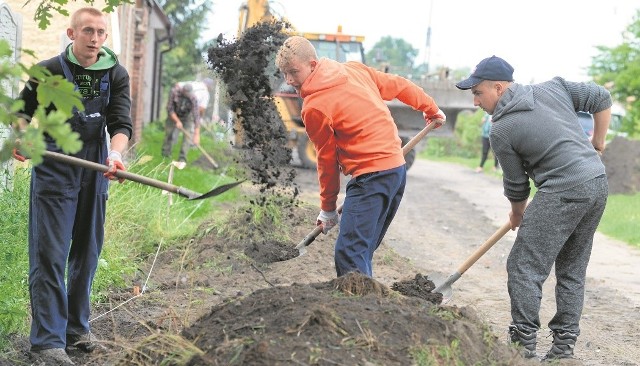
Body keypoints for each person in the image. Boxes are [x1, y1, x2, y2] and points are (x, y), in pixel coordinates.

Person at [455, 55, 611, 360]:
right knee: (572, 269)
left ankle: (523, 344)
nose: (475, 102)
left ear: (498, 88)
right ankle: (563, 348)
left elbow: (516, 185)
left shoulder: (501, 129)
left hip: (563, 190)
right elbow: (602, 98)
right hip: (597, 183)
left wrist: (517, 213)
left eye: (477, 93)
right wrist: (598, 145)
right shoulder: (554, 88)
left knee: (524, 266)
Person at [12, 7, 132, 365]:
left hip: (95, 166)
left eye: (101, 33)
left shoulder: (116, 73)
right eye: (88, 32)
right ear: (71, 33)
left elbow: (121, 122)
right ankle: (47, 341)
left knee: (88, 249)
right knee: (49, 253)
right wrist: (20, 138)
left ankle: (76, 330)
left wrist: (115, 155)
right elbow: (21, 111)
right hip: (55, 166)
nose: (95, 39)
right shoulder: (48, 70)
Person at [275, 36, 445, 278]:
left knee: (350, 254)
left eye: (294, 71)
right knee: (361, 250)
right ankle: (368, 305)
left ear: (312, 65)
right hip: (396, 171)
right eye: (284, 73)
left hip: (371, 178)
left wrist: (327, 209)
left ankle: (359, 311)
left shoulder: (314, 106)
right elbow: (398, 85)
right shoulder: (353, 70)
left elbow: (326, 161)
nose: (290, 80)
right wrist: (431, 108)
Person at [161, 82, 201, 163]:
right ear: (183, 91)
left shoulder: (193, 97)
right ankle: (165, 154)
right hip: (174, 115)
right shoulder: (174, 92)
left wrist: (196, 134)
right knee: (170, 133)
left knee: (187, 138)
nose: (189, 95)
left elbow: (196, 116)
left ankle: (182, 158)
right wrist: (177, 121)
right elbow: (169, 109)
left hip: (187, 117)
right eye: (187, 93)